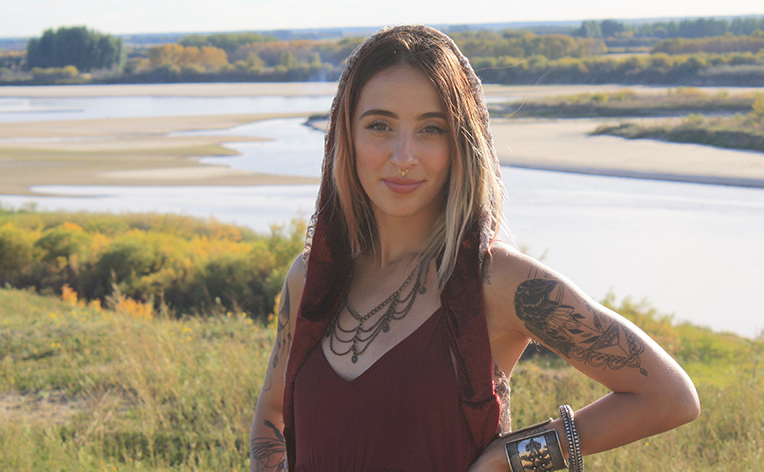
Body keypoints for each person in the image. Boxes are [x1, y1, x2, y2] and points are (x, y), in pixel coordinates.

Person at [250, 24, 699, 472]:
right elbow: (271, 414)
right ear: (345, 135)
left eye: (431, 129)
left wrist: (508, 459)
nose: (403, 157)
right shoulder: (310, 279)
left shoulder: (497, 282)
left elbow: (669, 396)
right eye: (379, 125)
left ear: (461, 143)